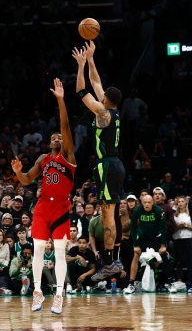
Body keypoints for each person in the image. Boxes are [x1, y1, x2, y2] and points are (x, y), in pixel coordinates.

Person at [11, 77, 75, 314]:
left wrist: (61, 100)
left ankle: (59, 294)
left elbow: (65, 126)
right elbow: (28, 180)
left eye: (59, 137)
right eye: (53, 138)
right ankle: (37, 291)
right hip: (42, 207)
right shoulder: (43, 159)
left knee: (59, 252)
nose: (57, 139)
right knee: (37, 249)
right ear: (49, 143)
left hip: (60, 207)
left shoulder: (68, 156)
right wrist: (18, 173)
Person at [74, 42, 125, 281]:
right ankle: (113, 259)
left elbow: (82, 92)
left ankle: (109, 262)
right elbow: (96, 83)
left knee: (107, 215)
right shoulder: (112, 111)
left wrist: (80, 66)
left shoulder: (102, 113)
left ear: (105, 100)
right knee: (111, 214)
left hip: (107, 165)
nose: (100, 93)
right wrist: (91, 60)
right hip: (114, 164)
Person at [123, 194, 169, 293]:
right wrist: (135, 245)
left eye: (149, 202)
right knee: (136, 255)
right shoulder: (137, 210)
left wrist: (163, 245)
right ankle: (131, 284)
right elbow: (133, 228)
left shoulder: (158, 211)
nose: (147, 204)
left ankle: (169, 282)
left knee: (163, 255)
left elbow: (163, 228)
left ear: (153, 202)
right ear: (141, 203)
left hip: (156, 236)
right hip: (143, 237)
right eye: (145, 202)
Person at [172, 196, 192, 293]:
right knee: (178, 261)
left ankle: (191, 283)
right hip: (177, 239)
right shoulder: (174, 215)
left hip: (188, 238)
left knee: (189, 262)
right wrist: (178, 227)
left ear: (186, 203)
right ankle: (179, 282)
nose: (180, 203)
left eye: (182, 201)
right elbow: (171, 228)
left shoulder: (189, 214)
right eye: (179, 202)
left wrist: (186, 226)